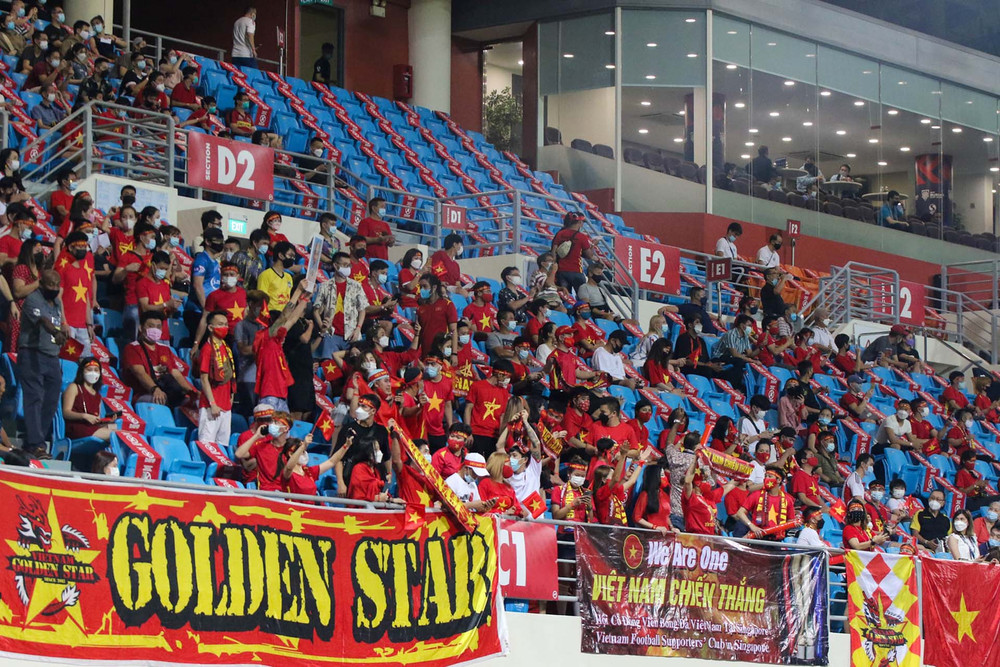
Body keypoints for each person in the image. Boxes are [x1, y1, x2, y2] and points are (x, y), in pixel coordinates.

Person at [17, 270, 65, 458]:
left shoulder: (57, 303)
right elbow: (44, 321)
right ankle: (37, 445)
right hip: (32, 353)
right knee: (34, 397)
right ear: (42, 284)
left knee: (51, 400)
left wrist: (63, 333)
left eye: (57, 285)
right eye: (50, 285)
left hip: (52, 356)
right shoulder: (33, 299)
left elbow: (57, 322)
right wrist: (55, 332)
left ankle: (33, 441)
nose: (54, 288)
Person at [254, 282, 311, 412]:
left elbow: (292, 319)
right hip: (269, 396)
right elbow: (284, 317)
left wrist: (305, 299)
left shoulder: (277, 342)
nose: (284, 328)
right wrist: (298, 290)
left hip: (282, 396)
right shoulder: (264, 339)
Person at [313, 251, 368, 356]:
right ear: (335, 265)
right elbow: (316, 310)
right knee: (329, 363)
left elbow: (362, 309)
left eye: (349, 265)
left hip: (352, 335)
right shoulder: (325, 286)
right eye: (345, 265)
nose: (348, 268)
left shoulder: (356, 286)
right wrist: (322, 327)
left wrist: (358, 328)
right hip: (331, 334)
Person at [197, 310, 236, 446]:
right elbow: (204, 378)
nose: (224, 327)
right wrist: (212, 403)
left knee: (223, 446)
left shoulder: (226, 348)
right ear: (210, 327)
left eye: (226, 324)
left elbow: (230, 376)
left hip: (226, 407)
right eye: (220, 324)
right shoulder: (207, 349)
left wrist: (231, 397)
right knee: (207, 446)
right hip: (211, 406)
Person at [61, 356, 118, 444]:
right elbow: (66, 412)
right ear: (82, 371)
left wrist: (107, 421)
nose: (93, 373)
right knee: (116, 435)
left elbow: (96, 420)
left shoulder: (98, 395)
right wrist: (84, 416)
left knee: (115, 428)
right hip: (77, 427)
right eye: (89, 369)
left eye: (96, 370)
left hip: (92, 427)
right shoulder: (74, 387)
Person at [183, 227, 225, 341]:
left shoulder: (214, 262)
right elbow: (197, 285)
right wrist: (207, 308)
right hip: (197, 311)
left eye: (222, 241)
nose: (220, 244)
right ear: (207, 241)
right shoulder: (201, 260)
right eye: (217, 241)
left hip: (209, 312)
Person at [464, 359, 513, 457]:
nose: (508, 380)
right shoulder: (477, 386)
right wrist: (468, 432)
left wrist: (501, 438)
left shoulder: (504, 392)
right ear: (499, 374)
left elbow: (502, 416)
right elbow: (468, 409)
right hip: (476, 433)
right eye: (507, 377)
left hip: (494, 437)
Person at [735, 467, 796, 539]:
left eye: (770, 476)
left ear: (779, 480)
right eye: (765, 476)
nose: (766, 478)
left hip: (776, 540)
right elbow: (740, 513)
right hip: (757, 537)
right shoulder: (756, 495)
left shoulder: (787, 499)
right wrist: (751, 526)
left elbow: (790, 520)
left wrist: (785, 527)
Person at [551, 211, 595, 293]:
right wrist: (593, 245)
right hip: (576, 270)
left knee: (564, 296)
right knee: (582, 296)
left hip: (561, 270)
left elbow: (553, 252)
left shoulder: (560, 234)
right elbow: (589, 255)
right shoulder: (582, 237)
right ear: (580, 222)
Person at [415, 273, 457, 356]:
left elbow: (453, 331)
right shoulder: (420, 308)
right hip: (426, 354)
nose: (422, 290)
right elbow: (418, 334)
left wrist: (454, 353)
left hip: (443, 353)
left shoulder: (447, 305)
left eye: (425, 286)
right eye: (420, 287)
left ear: (434, 287)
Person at [632, 458, 673, 535]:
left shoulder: (664, 494)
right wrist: (654, 527)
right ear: (655, 477)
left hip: (666, 536)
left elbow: (666, 516)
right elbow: (637, 518)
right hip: (651, 535)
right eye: (662, 475)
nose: (665, 478)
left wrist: (672, 527)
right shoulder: (645, 495)